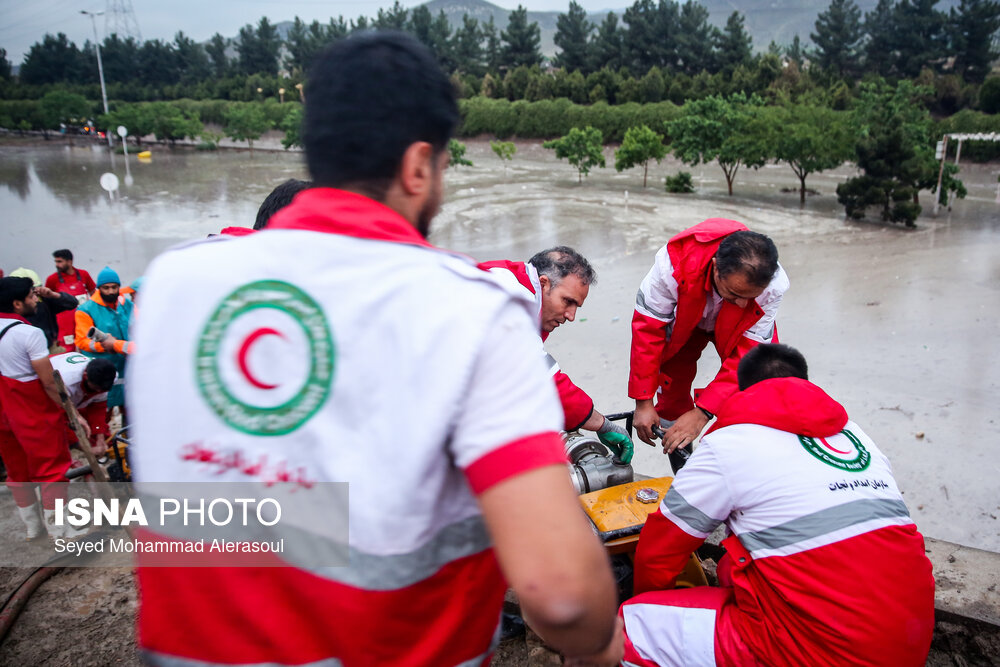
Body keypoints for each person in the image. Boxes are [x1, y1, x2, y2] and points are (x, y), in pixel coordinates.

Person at [128, 32, 621, 667]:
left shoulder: (174, 280)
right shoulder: (474, 310)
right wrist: (601, 648)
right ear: (420, 164)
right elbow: (564, 598)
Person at [619, 343, 935, 666]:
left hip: (819, 652)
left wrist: (652, 603)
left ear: (742, 392)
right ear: (805, 384)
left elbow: (660, 551)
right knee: (730, 567)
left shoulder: (729, 443)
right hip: (910, 642)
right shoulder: (858, 438)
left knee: (626, 630)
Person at [629, 219, 789, 458]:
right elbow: (648, 331)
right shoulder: (671, 265)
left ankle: (738, 458)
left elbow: (749, 355)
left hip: (736, 326)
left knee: (759, 387)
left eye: (751, 296)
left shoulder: (773, 286)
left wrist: (704, 412)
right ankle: (681, 459)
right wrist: (642, 401)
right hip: (685, 318)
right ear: (715, 268)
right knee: (671, 392)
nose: (744, 303)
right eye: (735, 294)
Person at [481, 247, 634, 462]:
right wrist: (602, 423)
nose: (571, 316)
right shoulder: (510, 301)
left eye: (576, 306)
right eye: (567, 301)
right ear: (543, 284)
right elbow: (546, 384)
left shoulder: (507, 280)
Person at [0, 277, 88, 540]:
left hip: (3, 412)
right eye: (30, 296)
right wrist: (73, 413)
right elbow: (49, 382)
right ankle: (59, 530)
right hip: (30, 408)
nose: (36, 299)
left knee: (17, 470)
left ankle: (33, 527)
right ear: (16, 304)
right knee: (52, 467)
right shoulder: (28, 333)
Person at [75, 266, 133, 409]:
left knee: (130, 409)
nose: (111, 291)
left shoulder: (126, 305)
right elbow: (82, 341)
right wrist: (104, 345)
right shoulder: (85, 310)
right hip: (103, 370)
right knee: (102, 410)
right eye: (106, 288)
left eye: (114, 287)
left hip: (127, 366)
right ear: (99, 288)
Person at [49, 353, 116, 456]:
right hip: (46, 387)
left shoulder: (109, 377)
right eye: (95, 388)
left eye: (101, 390)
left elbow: (98, 408)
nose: (98, 391)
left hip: (73, 392)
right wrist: (85, 448)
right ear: (86, 376)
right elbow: (59, 417)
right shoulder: (66, 381)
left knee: (92, 428)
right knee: (53, 431)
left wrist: (100, 436)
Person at [8, 268, 78, 353]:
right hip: (25, 352)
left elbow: (72, 303)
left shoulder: (45, 301)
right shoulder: (8, 311)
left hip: (51, 347)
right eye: (30, 294)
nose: (36, 299)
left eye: (36, 292)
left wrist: (54, 295)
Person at [45, 249, 96, 352]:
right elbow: (48, 302)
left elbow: (94, 295)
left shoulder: (83, 275)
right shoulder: (52, 279)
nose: (57, 265)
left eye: (60, 261)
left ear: (70, 261)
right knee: (68, 350)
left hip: (84, 320)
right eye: (56, 261)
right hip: (65, 326)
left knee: (88, 346)